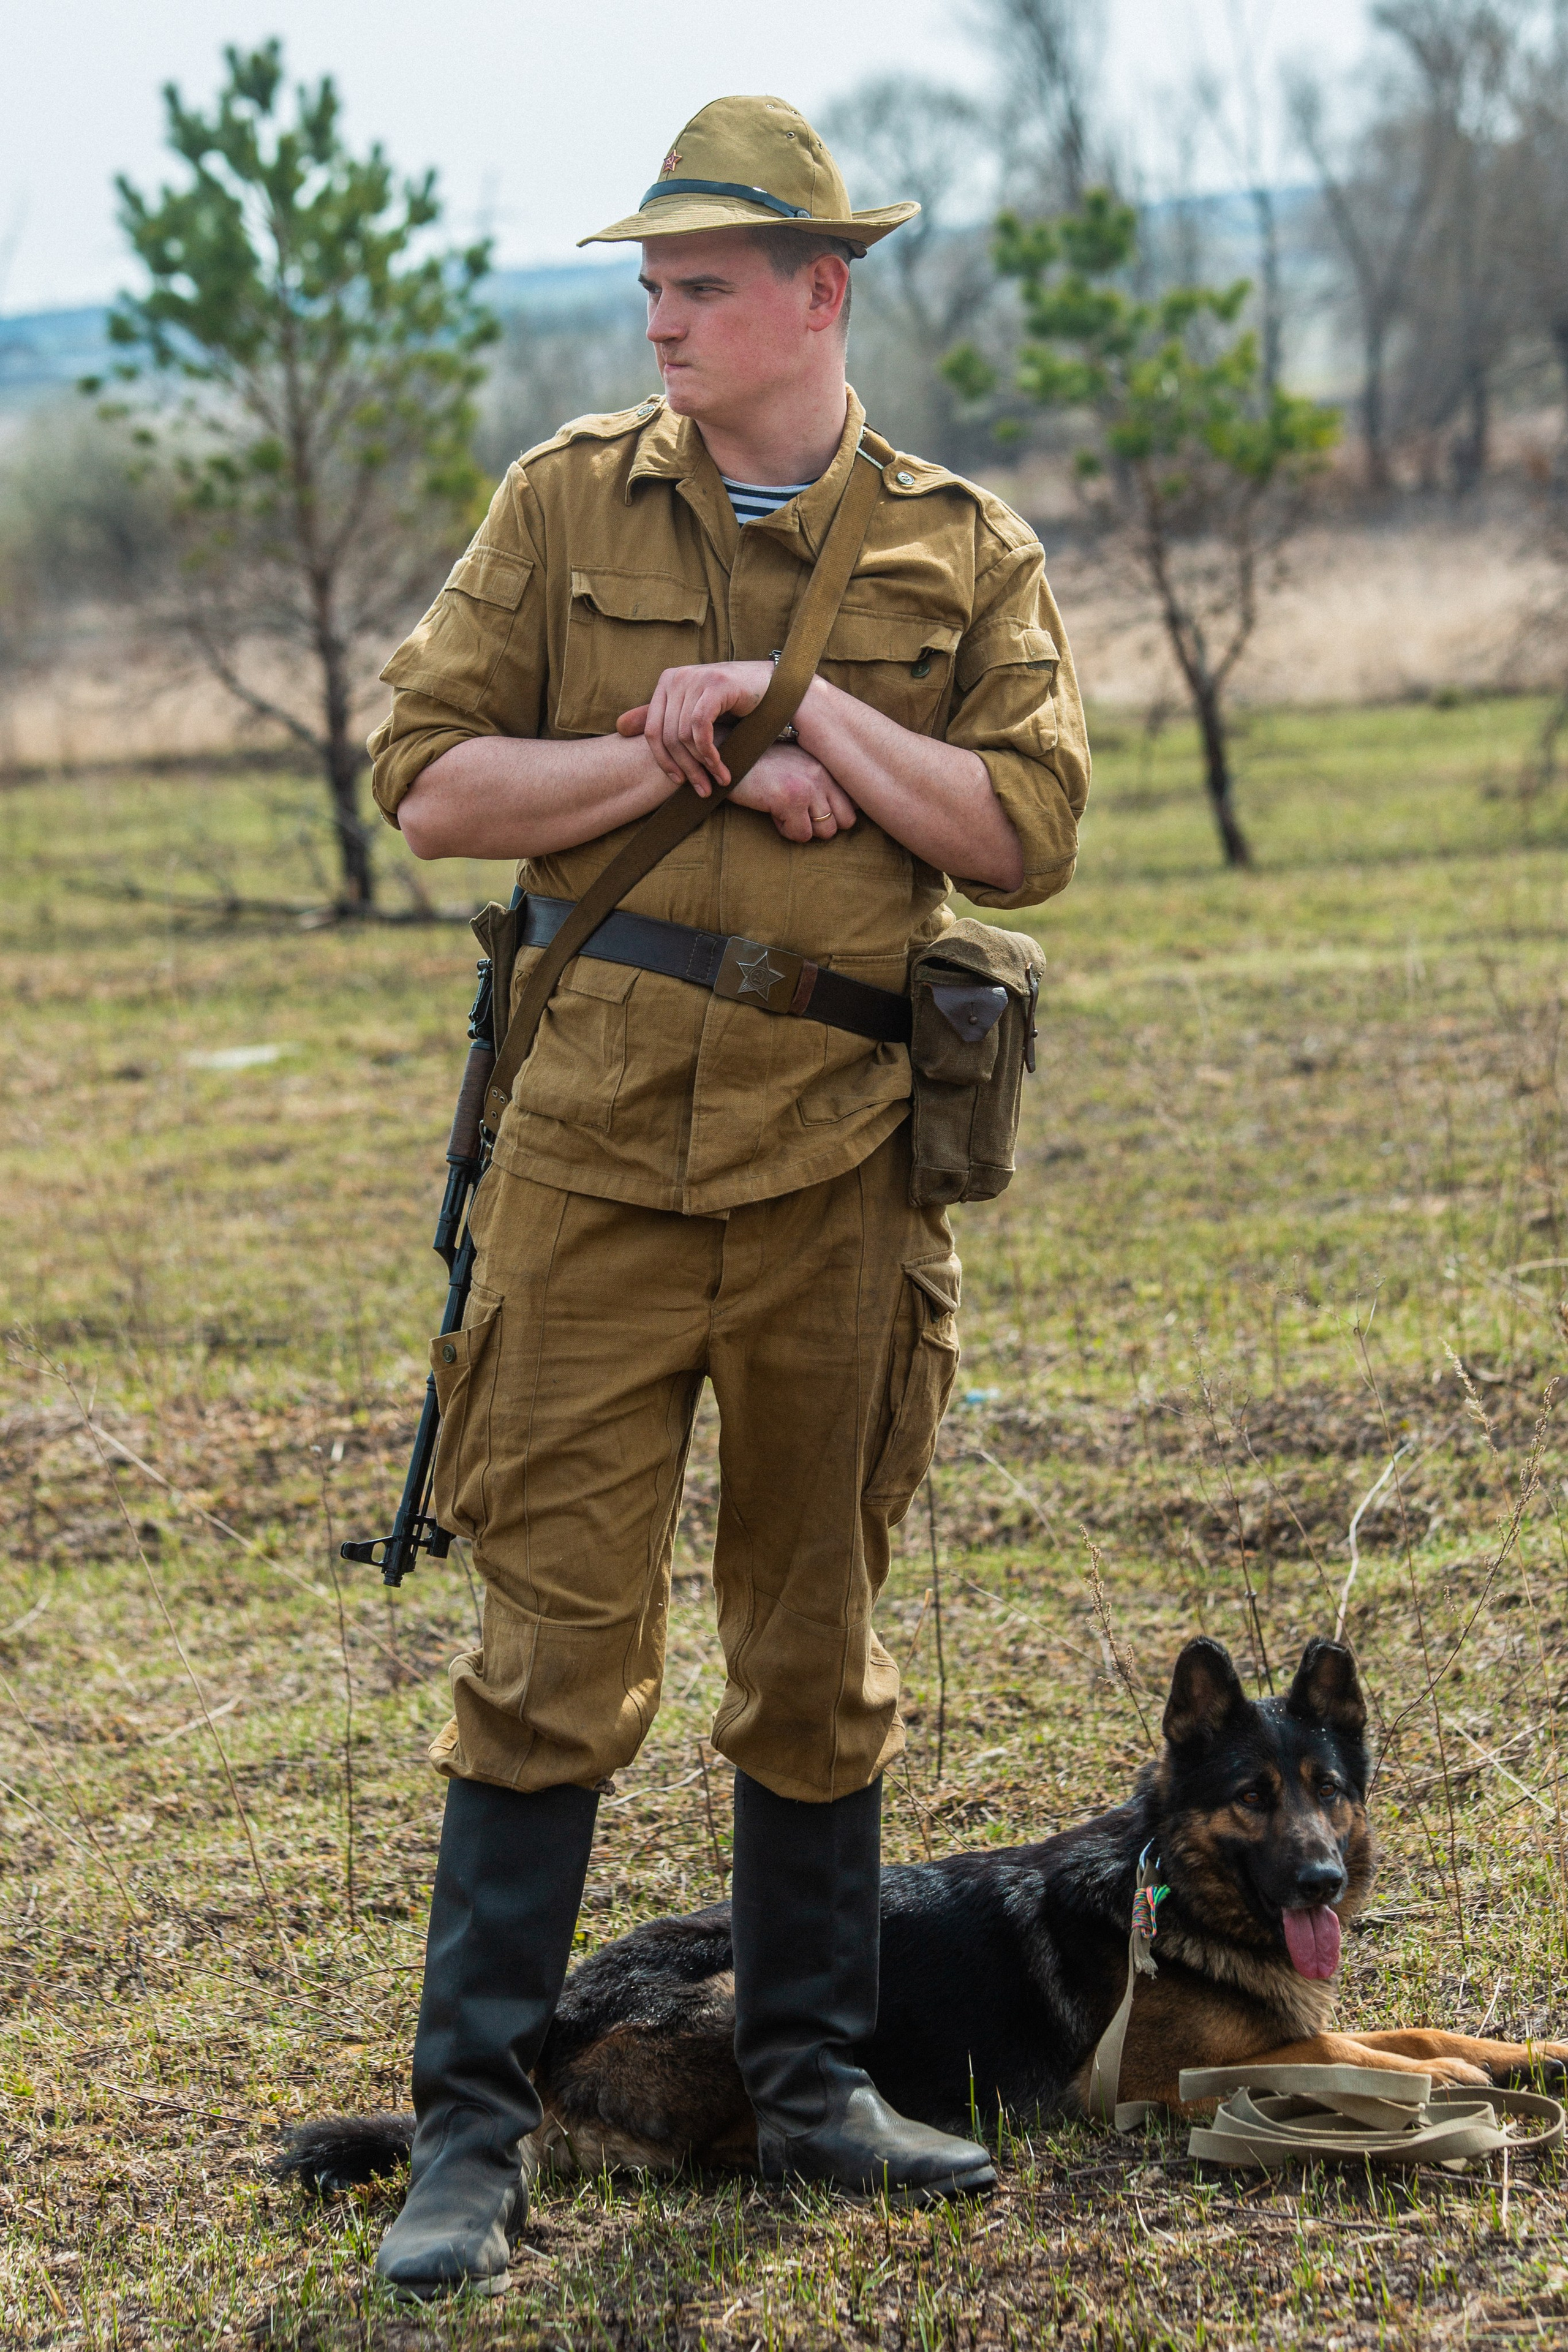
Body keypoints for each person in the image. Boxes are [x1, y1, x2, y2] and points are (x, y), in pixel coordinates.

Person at [364, 93, 1091, 2299]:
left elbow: (1031, 823)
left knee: (812, 1647)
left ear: (819, 296)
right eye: (651, 287)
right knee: (553, 1657)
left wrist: (823, 737)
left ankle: (813, 2091)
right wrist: (669, 750)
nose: (665, 320)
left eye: (703, 285)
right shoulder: (565, 504)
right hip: (589, 1167)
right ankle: (471, 2144)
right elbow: (426, 781)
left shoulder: (955, 550)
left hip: (842, 1179)